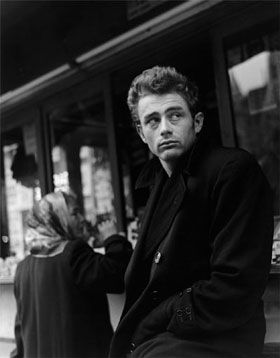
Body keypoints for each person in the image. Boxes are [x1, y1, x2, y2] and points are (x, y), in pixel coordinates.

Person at [109, 66, 273, 358]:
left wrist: (157, 321)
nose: (165, 128)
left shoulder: (231, 171)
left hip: (218, 336)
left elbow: (234, 285)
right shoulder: (158, 184)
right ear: (141, 133)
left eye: (175, 115)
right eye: (152, 120)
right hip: (166, 338)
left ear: (196, 122)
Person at [11, 191, 132, 358]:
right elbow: (118, 276)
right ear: (56, 219)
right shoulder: (73, 253)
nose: (82, 219)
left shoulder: (22, 268)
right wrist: (113, 238)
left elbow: (20, 330)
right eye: (75, 213)